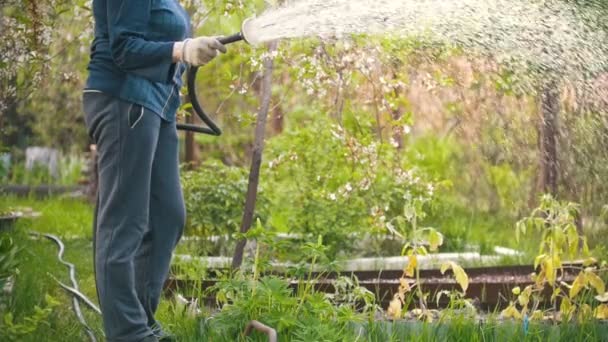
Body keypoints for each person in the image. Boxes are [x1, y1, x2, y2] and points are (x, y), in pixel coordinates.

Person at [82, 1, 226, 341]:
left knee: (167, 217)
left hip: (158, 106)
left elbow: (161, 40)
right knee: (124, 222)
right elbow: (123, 48)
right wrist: (181, 48)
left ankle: (140, 319)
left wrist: (193, 47)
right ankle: (127, 332)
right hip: (124, 99)